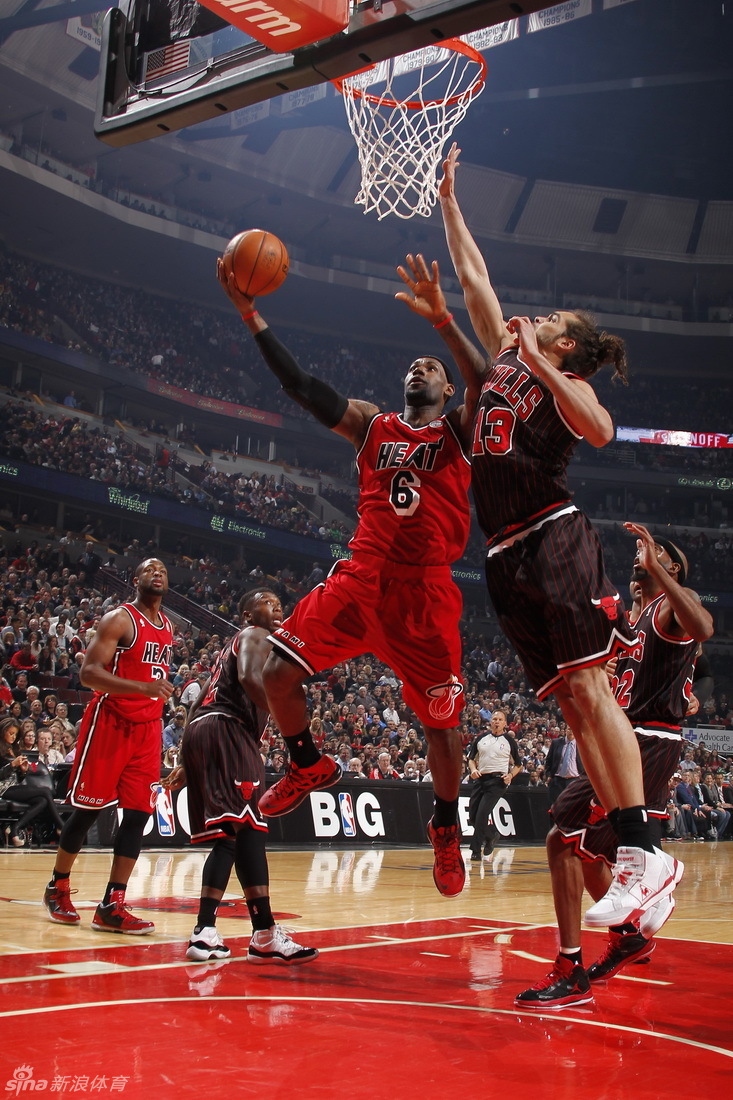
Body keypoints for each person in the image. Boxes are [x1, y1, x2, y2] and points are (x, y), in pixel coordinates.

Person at [436, 143, 681, 924]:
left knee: (586, 687)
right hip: (503, 553)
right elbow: (474, 277)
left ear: (566, 345)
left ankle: (644, 852)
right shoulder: (507, 357)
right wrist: (447, 201)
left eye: (549, 324)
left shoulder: (560, 376)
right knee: (572, 709)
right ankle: (635, 852)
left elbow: (602, 432)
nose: (532, 321)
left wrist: (538, 362)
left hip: (552, 531)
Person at [218, 251, 485, 898]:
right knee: (273, 673)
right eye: (414, 364)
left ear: (445, 390)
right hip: (362, 575)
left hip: (425, 590)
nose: (418, 368)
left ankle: (445, 825)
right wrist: (251, 314)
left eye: (430, 368)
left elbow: (483, 381)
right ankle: (307, 764)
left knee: (441, 728)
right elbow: (303, 387)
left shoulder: (455, 429)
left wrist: (444, 322)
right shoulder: (371, 424)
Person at [515, 526, 713, 1008]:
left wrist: (663, 574)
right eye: (642, 552)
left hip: (646, 741)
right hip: (627, 741)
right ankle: (627, 934)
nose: (639, 556)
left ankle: (571, 968)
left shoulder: (670, 605)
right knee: (585, 852)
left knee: (562, 840)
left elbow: (704, 628)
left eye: (655, 552)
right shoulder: (633, 617)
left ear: (671, 568)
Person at [164, 590, 318, 965]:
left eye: (280, 603)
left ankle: (261, 932)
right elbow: (251, 679)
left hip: (209, 730)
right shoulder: (255, 636)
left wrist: (188, 757)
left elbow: (197, 705)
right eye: (268, 602)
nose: (278, 606)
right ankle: (209, 931)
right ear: (249, 613)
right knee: (240, 832)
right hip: (228, 729)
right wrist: (290, 721)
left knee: (240, 831)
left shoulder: (227, 653)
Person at [42, 559, 174, 933]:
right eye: (149, 569)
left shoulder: (167, 627)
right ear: (136, 580)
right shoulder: (120, 618)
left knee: (137, 815)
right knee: (86, 812)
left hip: (148, 728)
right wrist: (142, 689)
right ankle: (58, 887)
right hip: (111, 722)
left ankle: (112, 904)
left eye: (162, 569)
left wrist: (153, 696)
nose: (157, 573)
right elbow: (88, 674)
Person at [1, 717, 65, 846]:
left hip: (14, 787)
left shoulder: (14, 750)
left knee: (41, 801)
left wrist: (23, 771)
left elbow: (18, 778)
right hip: (3, 789)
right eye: (11, 733)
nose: (13, 737)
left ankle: (15, 829)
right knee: (45, 792)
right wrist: (12, 765)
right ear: (2, 732)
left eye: (15, 734)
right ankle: (62, 827)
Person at [466, 710, 521, 862]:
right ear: (490, 721)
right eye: (494, 719)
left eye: (500, 719)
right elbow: (471, 759)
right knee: (472, 817)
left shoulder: (509, 741)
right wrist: (473, 769)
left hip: (498, 781)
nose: (496, 721)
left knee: (482, 814)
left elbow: (518, 765)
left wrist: (510, 775)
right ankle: (491, 836)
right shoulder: (481, 738)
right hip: (480, 779)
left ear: (505, 723)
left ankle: (475, 851)